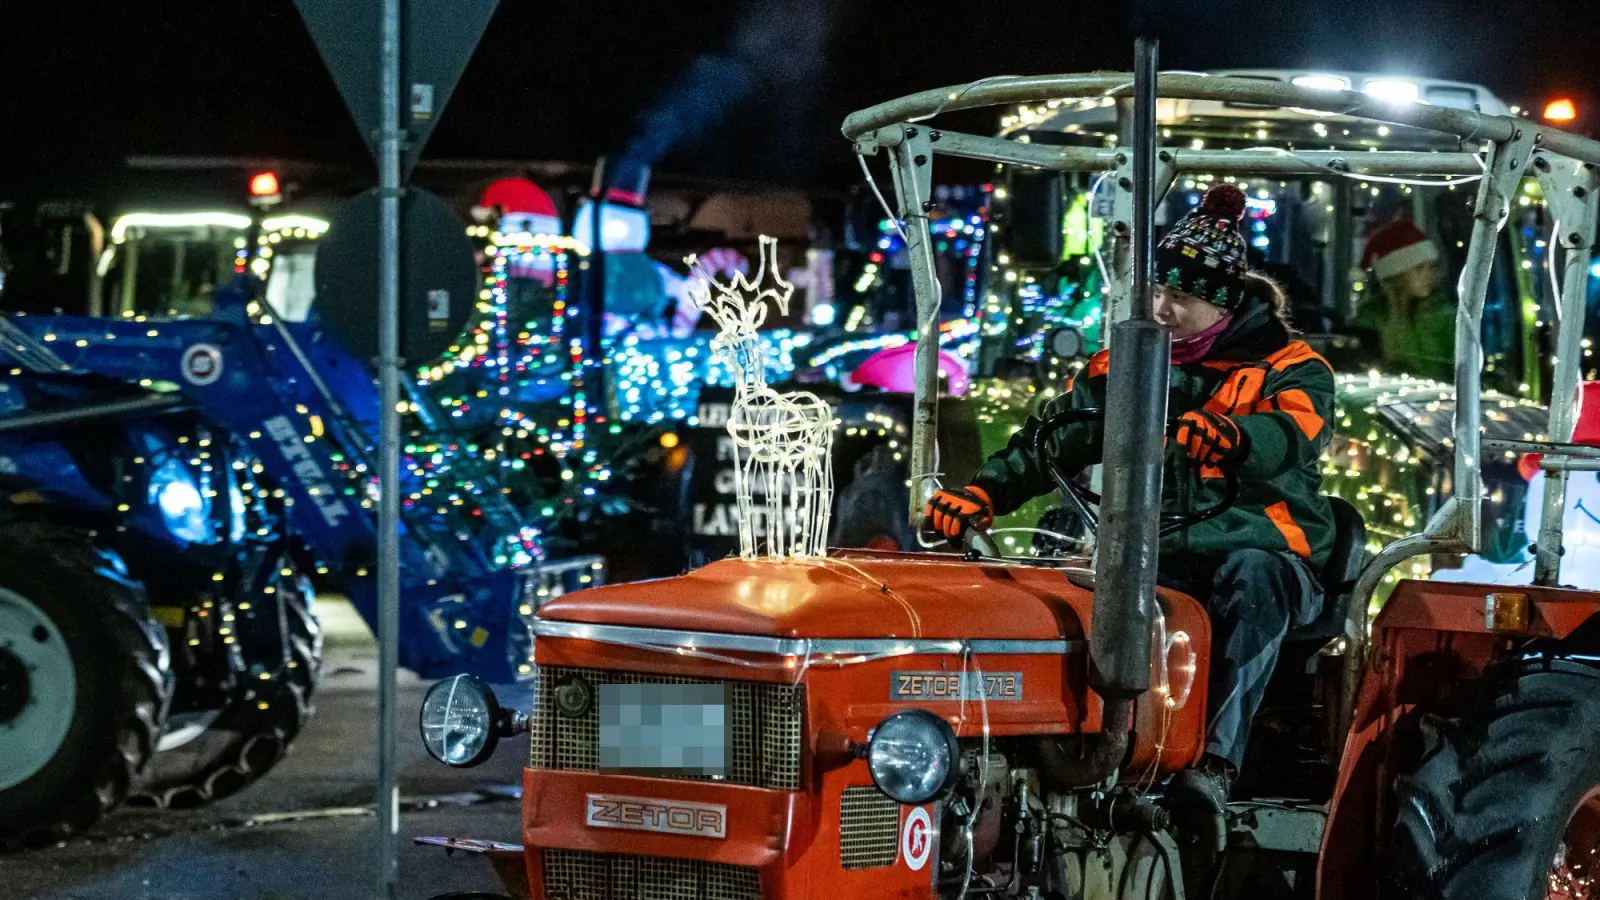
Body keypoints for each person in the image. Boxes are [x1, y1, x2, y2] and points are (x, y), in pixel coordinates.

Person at [925, 184, 1337, 831]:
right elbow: (1056, 436)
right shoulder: (1130, 364)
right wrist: (984, 494)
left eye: (1185, 297)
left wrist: (1234, 438)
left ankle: (1215, 768)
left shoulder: (1293, 368)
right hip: (1157, 549)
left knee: (1252, 580)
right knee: (1063, 595)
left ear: (1224, 303)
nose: (1164, 309)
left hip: (1264, 547)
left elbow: (1290, 435)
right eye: (1159, 292)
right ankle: (1062, 755)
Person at [1355, 219, 1454, 381]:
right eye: (1419, 268)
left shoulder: (1446, 315)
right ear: (1398, 274)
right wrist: (1395, 309)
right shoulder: (1371, 318)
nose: (1429, 275)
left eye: (1431, 267)